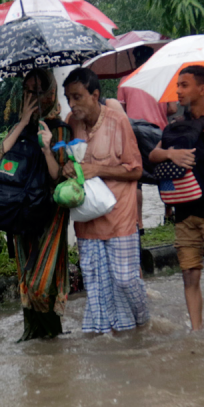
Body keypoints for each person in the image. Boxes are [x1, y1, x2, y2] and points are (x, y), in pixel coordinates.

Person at [148, 65, 204, 331]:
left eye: (184, 85)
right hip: (183, 213)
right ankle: (196, 333)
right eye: (178, 85)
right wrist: (170, 155)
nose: (178, 91)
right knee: (190, 274)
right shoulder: (176, 124)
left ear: (202, 89)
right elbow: (153, 156)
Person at [64, 67, 150, 334]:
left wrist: (98, 169)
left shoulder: (117, 121)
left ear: (95, 95)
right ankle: (113, 339)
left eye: (77, 97)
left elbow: (136, 170)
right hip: (87, 220)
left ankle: (145, 321)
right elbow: (68, 161)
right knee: (96, 285)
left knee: (125, 279)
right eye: (69, 98)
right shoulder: (71, 122)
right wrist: (68, 167)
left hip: (120, 217)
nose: (72, 104)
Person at [0, 70, 73, 340]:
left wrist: (46, 147)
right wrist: (20, 124)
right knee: (26, 277)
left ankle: (52, 337)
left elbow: (57, 176)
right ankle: (35, 340)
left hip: (50, 212)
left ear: (51, 92)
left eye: (39, 90)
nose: (33, 97)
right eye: (28, 90)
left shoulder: (61, 130)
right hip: (21, 211)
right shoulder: (19, 131)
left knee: (42, 280)